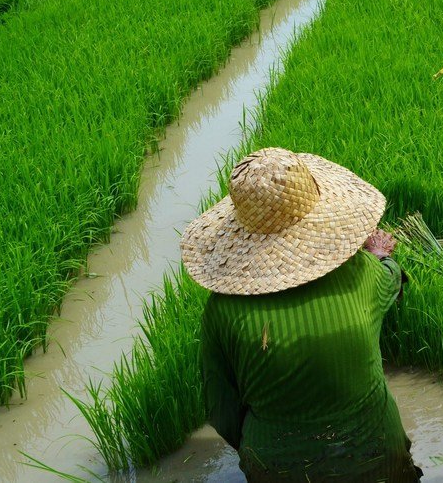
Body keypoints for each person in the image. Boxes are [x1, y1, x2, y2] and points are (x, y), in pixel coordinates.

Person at [179, 147, 421, 482]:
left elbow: (221, 409)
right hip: (377, 455)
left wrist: (263, 447)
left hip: (277, 469)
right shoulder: (361, 273)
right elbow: (392, 281)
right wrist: (379, 255)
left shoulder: (222, 310)